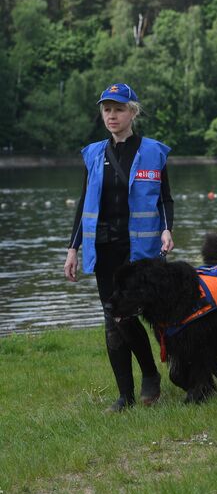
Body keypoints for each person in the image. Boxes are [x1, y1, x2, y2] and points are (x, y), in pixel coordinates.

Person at [64, 83, 173, 412]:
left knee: (126, 317)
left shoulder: (153, 152)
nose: (112, 115)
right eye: (107, 109)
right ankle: (125, 395)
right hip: (104, 248)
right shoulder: (94, 153)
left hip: (137, 250)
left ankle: (152, 375)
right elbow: (84, 203)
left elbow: (165, 198)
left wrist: (168, 229)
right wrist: (72, 248)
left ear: (132, 112)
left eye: (119, 109)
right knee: (112, 318)